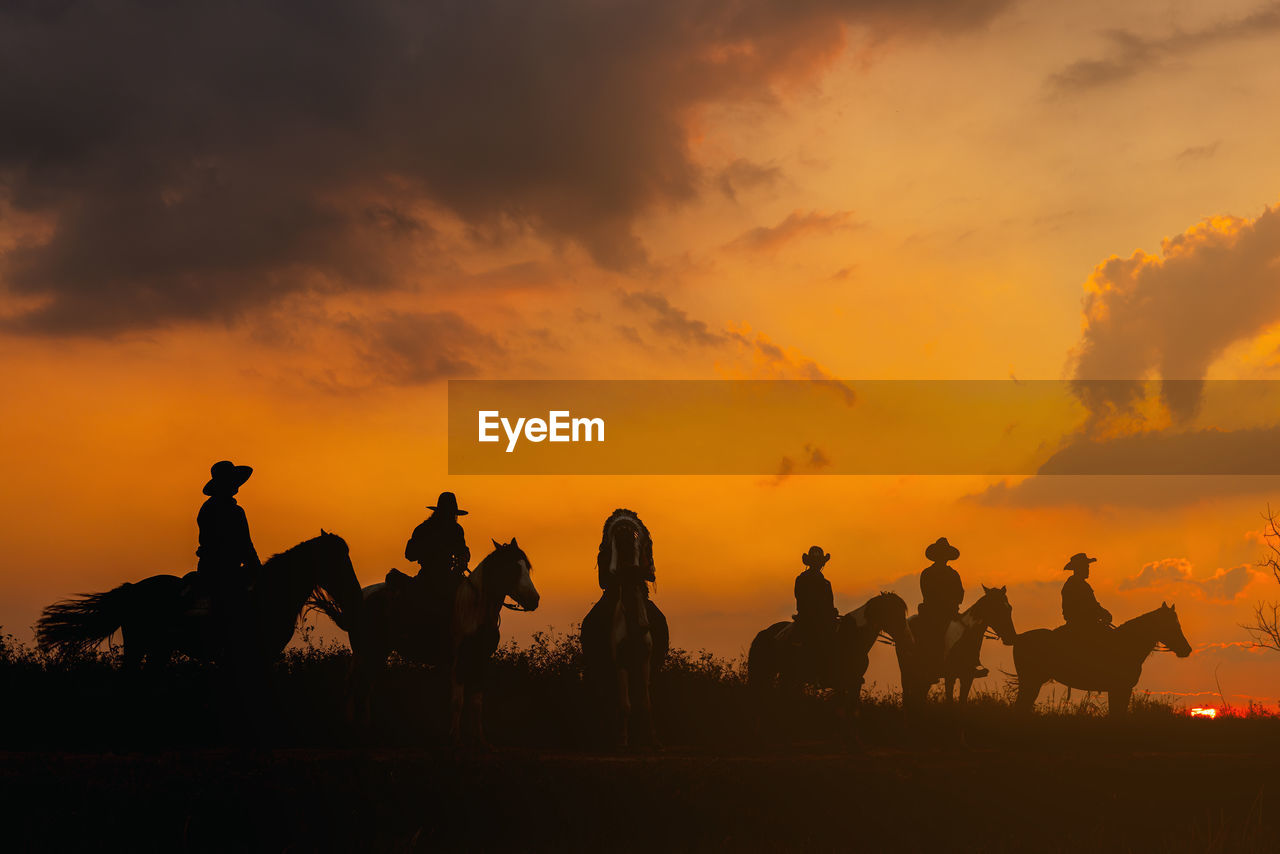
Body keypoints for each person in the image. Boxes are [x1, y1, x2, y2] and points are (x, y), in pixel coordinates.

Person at [195, 460, 262, 625]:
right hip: (223, 570)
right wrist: (257, 568)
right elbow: (245, 544)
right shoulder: (233, 511)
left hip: (210, 567)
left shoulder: (208, 508)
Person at [918, 537, 985, 678]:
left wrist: (953, 604)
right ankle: (932, 665)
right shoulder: (929, 573)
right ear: (937, 556)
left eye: (944, 555)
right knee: (933, 634)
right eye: (941, 555)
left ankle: (971, 663)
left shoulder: (951, 574)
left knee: (970, 632)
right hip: (932, 612)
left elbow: (960, 593)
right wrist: (947, 603)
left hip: (950, 611)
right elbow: (928, 593)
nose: (943, 558)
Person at [404, 491, 471, 594]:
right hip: (427, 578)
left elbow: (462, 550)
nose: (451, 517)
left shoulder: (456, 530)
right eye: (448, 514)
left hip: (449, 576)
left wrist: (464, 558)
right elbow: (409, 554)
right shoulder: (424, 529)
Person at [793, 546, 838, 667]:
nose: (816, 566)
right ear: (810, 564)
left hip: (824, 619)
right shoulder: (801, 580)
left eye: (818, 563)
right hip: (806, 619)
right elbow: (800, 599)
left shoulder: (826, 583)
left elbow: (830, 603)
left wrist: (833, 612)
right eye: (814, 563)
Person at [1061, 552, 1112, 633]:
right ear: (1078, 568)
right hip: (1082, 624)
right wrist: (1104, 614)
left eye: (1087, 567)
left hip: (1078, 622)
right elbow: (1092, 605)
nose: (1087, 569)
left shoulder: (1074, 584)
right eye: (1085, 567)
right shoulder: (1079, 585)